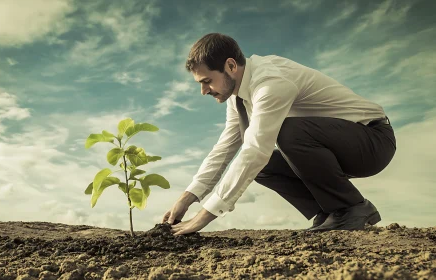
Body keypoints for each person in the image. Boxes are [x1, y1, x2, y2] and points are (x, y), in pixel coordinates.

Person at [162, 33, 396, 236]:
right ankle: (331, 212)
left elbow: (254, 150)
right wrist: (187, 198)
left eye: (206, 81)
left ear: (231, 66)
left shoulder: (270, 82)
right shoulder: (238, 99)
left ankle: (352, 207)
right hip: (337, 146)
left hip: (372, 141)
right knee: (265, 166)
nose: (203, 91)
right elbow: (224, 150)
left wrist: (205, 216)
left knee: (284, 134)